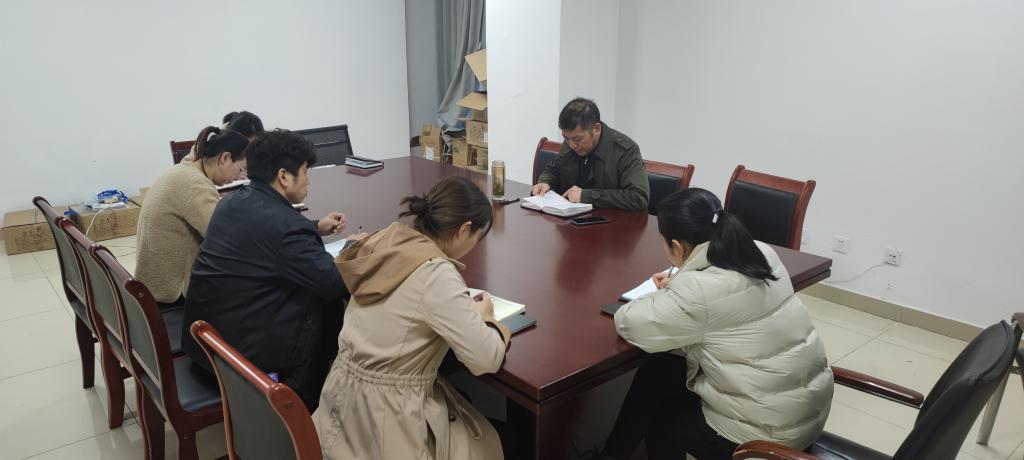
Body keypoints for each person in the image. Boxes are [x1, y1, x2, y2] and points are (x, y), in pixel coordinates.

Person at [600, 188, 833, 460]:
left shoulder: (698, 290)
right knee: (660, 371)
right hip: (804, 414)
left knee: (659, 413)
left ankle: (613, 454)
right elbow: (721, 301)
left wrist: (666, 292)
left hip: (761, 439)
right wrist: (680, 285)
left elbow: (628, 322)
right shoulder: (762, 252)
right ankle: (612, 455)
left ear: (678, 247)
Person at [313, 176, 511, 460]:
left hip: (339, 407)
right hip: (389, 422)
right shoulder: (435, 273)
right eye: (477, 239)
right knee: (487, 442)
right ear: (464, 229)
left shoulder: (388, 241)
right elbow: (485, 359)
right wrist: (485, 319)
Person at [182, 129, 351, 410]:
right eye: (305, 171)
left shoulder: (233, 201)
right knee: (324, 302)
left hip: (207, 342)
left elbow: (267, 234)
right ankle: (303, 406)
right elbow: (335, 282)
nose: (309, 180)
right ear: (284, 176)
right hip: (238, 360)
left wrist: (313, 227)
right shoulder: (286, 227)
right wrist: (355, 248)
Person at [135, 126, 249, 308]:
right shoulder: (195, 184)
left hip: (152, 283)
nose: (240, 177)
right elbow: (226, 238)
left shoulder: (185, 168)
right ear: (225, 158)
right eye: (241, 169)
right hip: (171, 293)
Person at [532, 98, 650, 211]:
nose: (572, 145)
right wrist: (545, 182)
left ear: (596, 129)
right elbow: (554, 170)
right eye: (566, 138)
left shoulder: (624, 151)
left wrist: (586, 196)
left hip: (611, 222)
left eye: (577, 139)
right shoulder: (571, 142)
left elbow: (639, 197)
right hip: (570, 218)